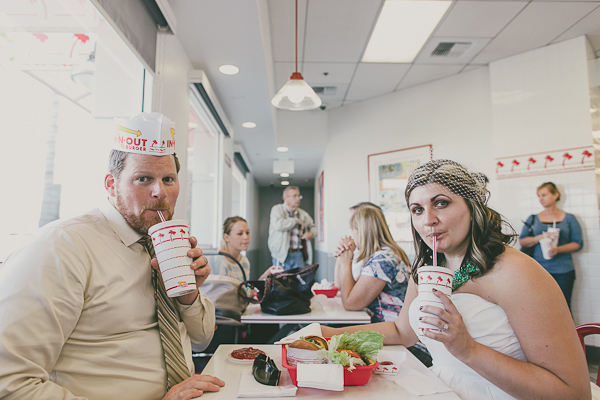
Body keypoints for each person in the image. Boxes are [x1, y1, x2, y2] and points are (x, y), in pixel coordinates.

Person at [322, 159, 593, 400]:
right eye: (417, 209)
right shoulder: (428, 267)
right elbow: (402, 333)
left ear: (472, 207)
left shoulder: (517, 273)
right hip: (441, 386)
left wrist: (469, 350)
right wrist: (329, 335)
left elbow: (573, 392)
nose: (428, 220)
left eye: (441, 203)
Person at [0, 113, 224, 400]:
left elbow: (202, 338)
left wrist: (188, 294)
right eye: (143, 179)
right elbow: (9, 381)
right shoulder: (62, 246)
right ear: (110, 184)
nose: (160, 192)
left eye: (169, 178)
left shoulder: (163, 242)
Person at [519, 182, 582, 309]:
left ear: (555, 195)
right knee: (541, 307)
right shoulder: (533, 218)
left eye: (544, 195)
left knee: (563, 306)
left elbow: (578, 244)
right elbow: (522, 241)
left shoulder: (569, 218)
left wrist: (557, 249)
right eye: (539, 196)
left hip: (563, 270)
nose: (540, 199)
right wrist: (540, 237)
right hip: (538, 270)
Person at [218, 216, 282, 281]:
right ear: (226, 237)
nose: (246, 237)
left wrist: (264, 277)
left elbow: (246, 290)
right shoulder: (220, 262)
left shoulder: (244, 261)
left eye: (247, 233)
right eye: (240, 233)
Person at [268, 186, 316, 270]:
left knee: (300, 281)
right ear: (285, 197)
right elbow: (279, 225)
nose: (298, 198)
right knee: (281, 281)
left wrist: (311, 233)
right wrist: (296, 220)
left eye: (299, 196)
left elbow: (314, 227)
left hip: (298, 254)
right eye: (294, 196)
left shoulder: (303, 214)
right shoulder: (277, 210)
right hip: (281, 255)